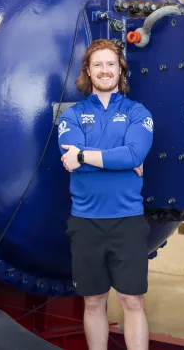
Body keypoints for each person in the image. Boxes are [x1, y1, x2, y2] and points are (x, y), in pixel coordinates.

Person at [57, 39, 154, 350]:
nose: (104, 70)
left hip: (127, 220)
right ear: (88, 70)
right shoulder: (72, 115)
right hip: (86, 221)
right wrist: (121, 160)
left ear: (120, 69)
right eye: (97, 64)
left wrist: (85, 156)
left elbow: (133, 153)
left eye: (111, 64)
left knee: (132, 300)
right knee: (94, 301)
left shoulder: (137, 112)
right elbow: (73, 162)